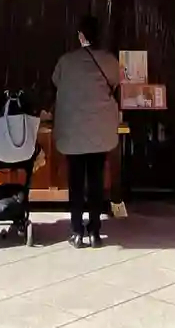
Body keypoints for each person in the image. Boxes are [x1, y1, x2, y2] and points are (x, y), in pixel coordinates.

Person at [51, 14, 121, 247]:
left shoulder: (66, 61)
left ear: (80, 36)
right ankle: (95, 231)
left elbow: (56, 82)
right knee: (96, 181)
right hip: (100, 129)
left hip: (73, 130)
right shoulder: (109, 61)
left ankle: (76, 231)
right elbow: (116, 83)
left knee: (76, 182)